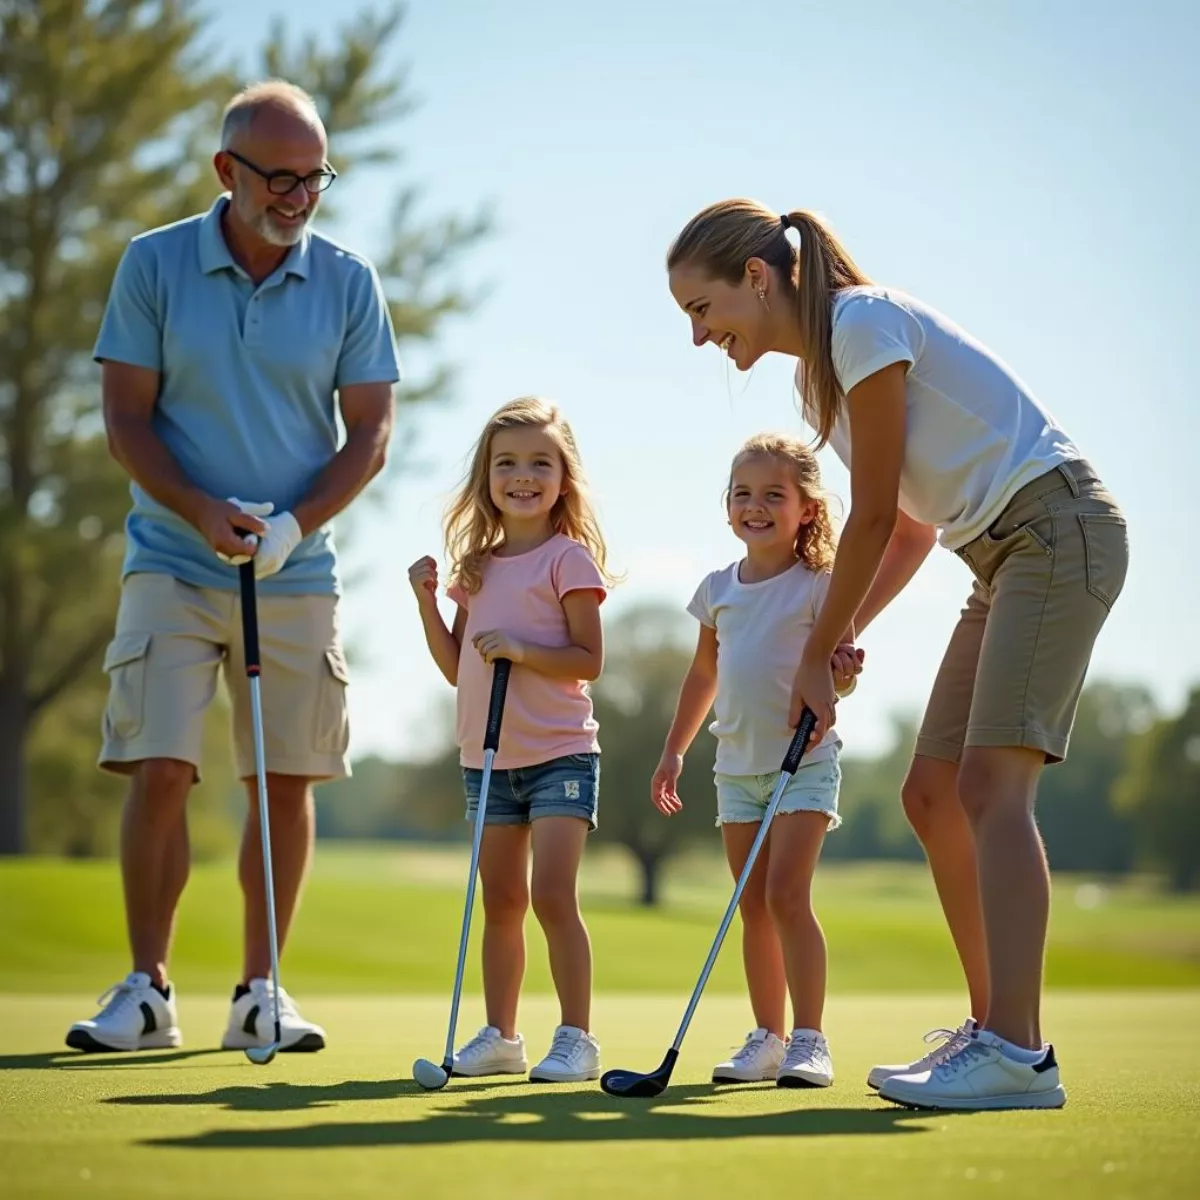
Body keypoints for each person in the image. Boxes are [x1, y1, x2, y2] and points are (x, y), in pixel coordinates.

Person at [666, 199, 1129, 1111]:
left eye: (701, 308)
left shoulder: (860, 322)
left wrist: (812, 654)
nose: (699, 336)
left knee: (993, 788)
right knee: (932, 791)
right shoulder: (824, 381)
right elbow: (915, 532)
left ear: (756, 278)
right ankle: (992, 1026)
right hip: (996, 552)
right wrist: (835, 639)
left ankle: (1017, 1052)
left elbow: (874, 518)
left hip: (1053, 527)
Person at [67, 80, 402, 1055]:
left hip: (295, 573)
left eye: (316, 179)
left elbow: (372, 432)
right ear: (228, 170)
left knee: (283, 779)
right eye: (280, 177)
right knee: (161, 767)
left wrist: (295, 525)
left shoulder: (348, 282)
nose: (299, 196)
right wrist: (199, 508)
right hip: (172, 556)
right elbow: (125, 420)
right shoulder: (154, 264)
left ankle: (262, 989)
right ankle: (148, 990)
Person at [408, 397, 617, 1083]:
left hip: (558, 752)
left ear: (563, 478)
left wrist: (524, 649)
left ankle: (577, 1039)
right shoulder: (477, 567)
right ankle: (501, 1036)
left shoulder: (568, 560)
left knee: (553, 893)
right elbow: (455, 666)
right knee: (501, 900)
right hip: (487, 757)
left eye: (538, 463)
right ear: (485, 478)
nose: (521, 476)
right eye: (506, 464)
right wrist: (427, 603)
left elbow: (588, 659)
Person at [651, 433, 861, 1088]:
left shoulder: (822, 586)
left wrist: (844, 679)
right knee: (754, 907)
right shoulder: (718, 589)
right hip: (736, 769)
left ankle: (810, 1040)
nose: (756, 506)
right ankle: (767, 1037)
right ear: (728, 507)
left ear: (807, 510)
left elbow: (839, 674)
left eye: (775, 494)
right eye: (743, 494)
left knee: (786, 894)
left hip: (804, 761)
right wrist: (673, 750)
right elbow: (702, 676)